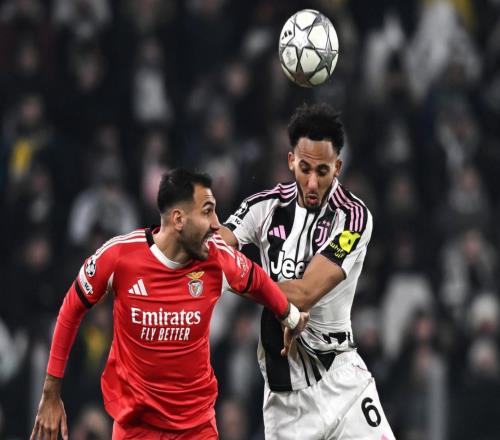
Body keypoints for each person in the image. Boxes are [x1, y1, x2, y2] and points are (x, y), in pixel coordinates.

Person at [30, 168, 308, 440]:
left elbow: (258, 281)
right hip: (136, 427)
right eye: (207, 211)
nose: (217, 224)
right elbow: (71, 308)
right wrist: (51, 392)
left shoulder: (217, 257)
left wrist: (291, 318)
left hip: (196, 428)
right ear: (178, 219)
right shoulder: (119, 257)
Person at [220, 103, 396, 439]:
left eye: (322, 171)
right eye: (304, 169)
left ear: (338, 167)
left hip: (342, 383)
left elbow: (304, 292)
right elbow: (212, 250)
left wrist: (237, 275)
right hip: (286, 404)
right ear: (290, 161)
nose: (312, 182)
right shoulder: (264, 207)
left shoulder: (353, 218)